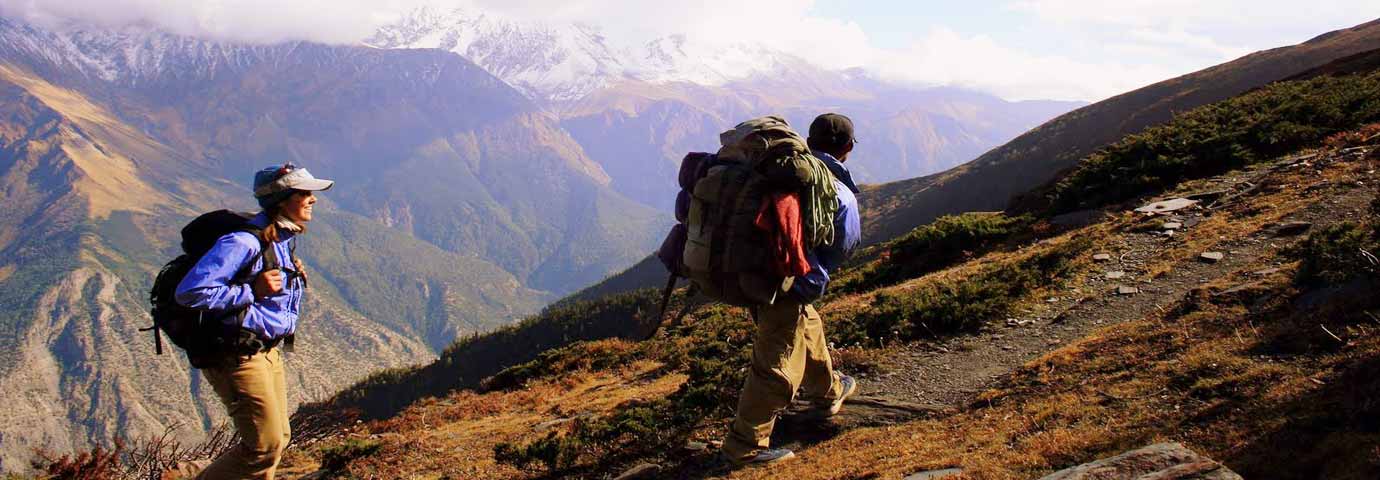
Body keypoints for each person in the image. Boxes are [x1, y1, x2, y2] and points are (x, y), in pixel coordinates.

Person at [175, 163, 334, 480]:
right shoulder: (244, 242)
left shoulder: (279, 240)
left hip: (265, 350)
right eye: (304, 193)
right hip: (239, 354)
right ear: (282, 199)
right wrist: (251, 290)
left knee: (278, 439)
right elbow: (191, 292)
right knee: (263, 445)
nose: (313, 199)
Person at [721, 113, 863, 465]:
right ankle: (744, 446)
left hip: (747, 271)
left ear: (810, 141)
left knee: (806, 323)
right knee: (775, 360)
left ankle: (827, 391)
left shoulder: (774, 172)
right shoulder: (837, 191)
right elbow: (844, 245)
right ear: (847, 148)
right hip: (784, 280)